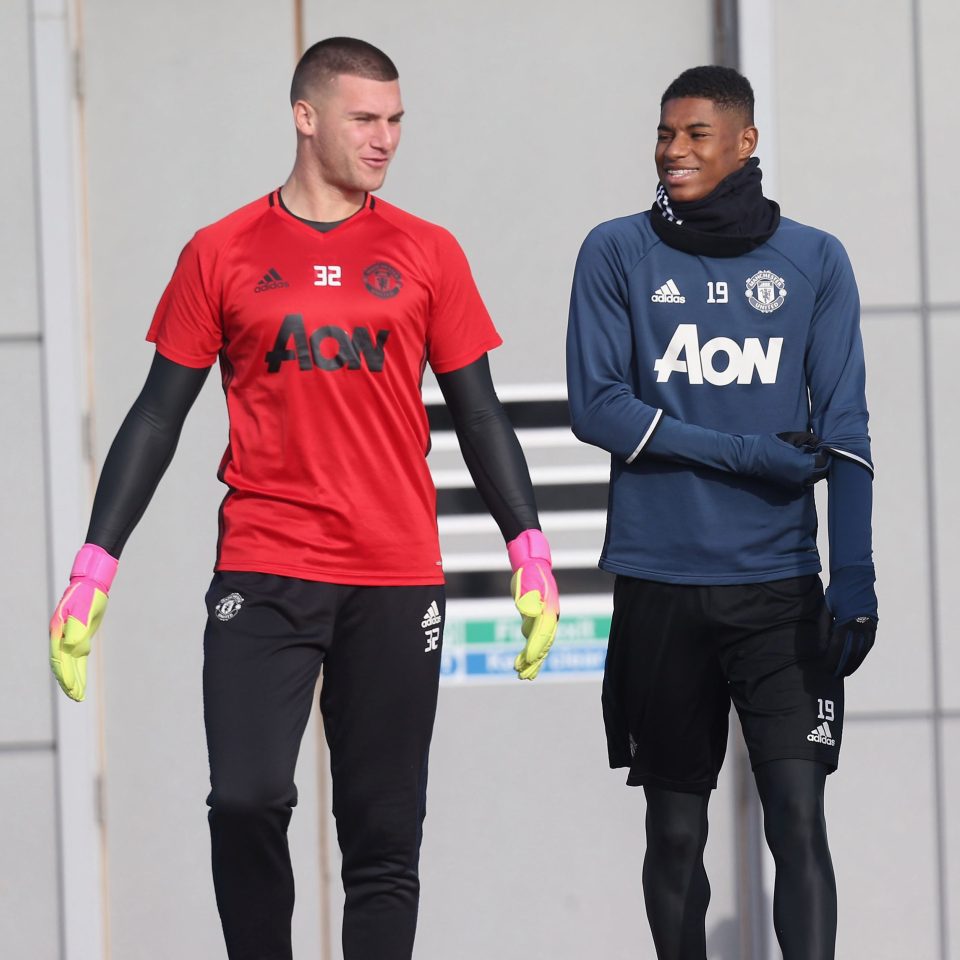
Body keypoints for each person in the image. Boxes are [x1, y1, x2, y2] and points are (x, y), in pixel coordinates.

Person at [48, 37, 559, 960]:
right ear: (305, 115)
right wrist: (95, 564)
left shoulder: (427, 251)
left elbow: (479, 416)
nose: (386, 138)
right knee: (245, 798)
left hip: (396, 572)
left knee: (384, 839)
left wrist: (530, 548)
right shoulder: (221, 251)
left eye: (397, 120)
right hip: (264, 562)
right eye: (365, 118)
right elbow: (158, 417)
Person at [566, 65, 876, 960]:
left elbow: (845, 429)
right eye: (665, 134)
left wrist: (852, 576)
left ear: (744, 143)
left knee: (799, 818)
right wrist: (745, 452)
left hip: (780, 588)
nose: (673, 152)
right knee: (673, 835)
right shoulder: (615, 250)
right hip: (662, 584)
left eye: (696, 134)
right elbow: (599, 405)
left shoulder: (815, 259)